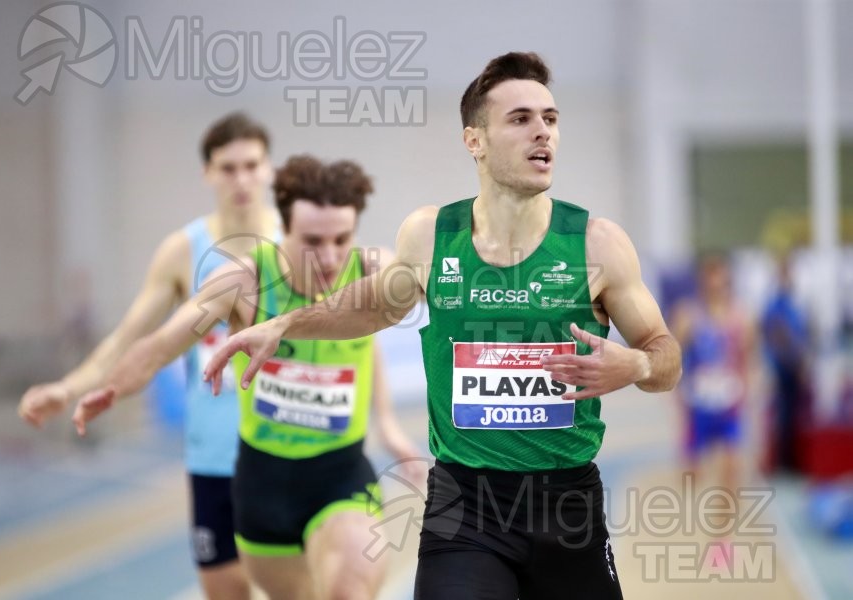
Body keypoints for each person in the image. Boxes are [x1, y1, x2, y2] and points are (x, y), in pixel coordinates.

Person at [202, 52, 682, 600]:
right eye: (520, 119)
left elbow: (665, 356)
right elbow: (374, 307)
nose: (541, 132)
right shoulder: (432, 234)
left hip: (567, 508)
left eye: (549, 118)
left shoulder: (597, 243)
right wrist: (281, 324)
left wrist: (638, 363)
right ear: (474, 140)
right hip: (466, 506)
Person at [73, 155, 423, 600]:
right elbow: (164, 343)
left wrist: (387, 423)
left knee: (348, 590)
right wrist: (112, 388)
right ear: (284, 227)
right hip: (263, 486)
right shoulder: (244, 282)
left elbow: (375, 337)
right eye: (314, 240)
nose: (332, 256)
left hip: (341, 475)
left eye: (342, 238)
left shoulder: (372, 271)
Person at [18, 112, 277, 600]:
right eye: (228, 167)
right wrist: (69, 387)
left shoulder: (296, 243)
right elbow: (129, 337)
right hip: (213, 457)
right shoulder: (184, 251)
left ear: (268, 169)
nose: (241, 179)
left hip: (285, 449)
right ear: (208, 173)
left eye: (251, 165)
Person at [671, 254, 756, 565]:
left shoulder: (741, 317)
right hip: (698, 407)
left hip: (729, 406)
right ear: (703, 280)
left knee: (732, 470)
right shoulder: (688, 315)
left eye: (720, 276)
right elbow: (672, 357)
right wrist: (679, 401)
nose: (715, 283)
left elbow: (747, 359)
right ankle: (687, 527)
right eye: (710, 276)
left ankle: (723, 538)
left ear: (727, 279)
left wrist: (746, 391)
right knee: (693, 476)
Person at [760, 253, 811, 472]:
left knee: (792, 414)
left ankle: (791, 458)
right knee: (784, 414)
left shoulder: (792, 302)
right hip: (784, 367)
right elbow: (778, 335)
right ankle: (783, 461)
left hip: (792, 364)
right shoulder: (777, 304)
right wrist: (795, 360)